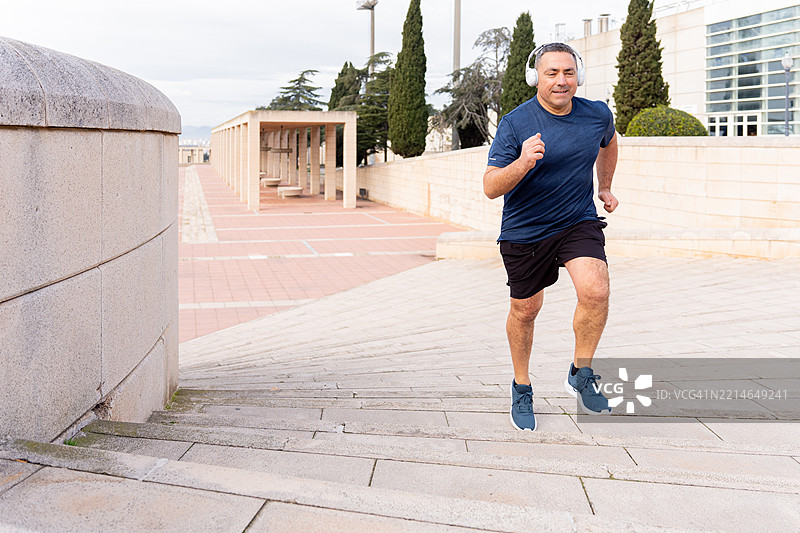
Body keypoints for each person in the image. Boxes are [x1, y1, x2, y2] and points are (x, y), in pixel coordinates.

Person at [483, 42, 619, 431]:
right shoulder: (515, 123)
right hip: (525, 230)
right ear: (536, 78)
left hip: (577, 221)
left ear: (578, 76)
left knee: (596, 290)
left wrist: (604, 186)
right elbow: (491, 186)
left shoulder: (596, 114)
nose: (561, 81)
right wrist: (523, 162)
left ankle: (581, 371)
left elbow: (609, 143)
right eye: (552, 73)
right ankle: (522, 386)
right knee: (525, 310)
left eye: (568, 72)